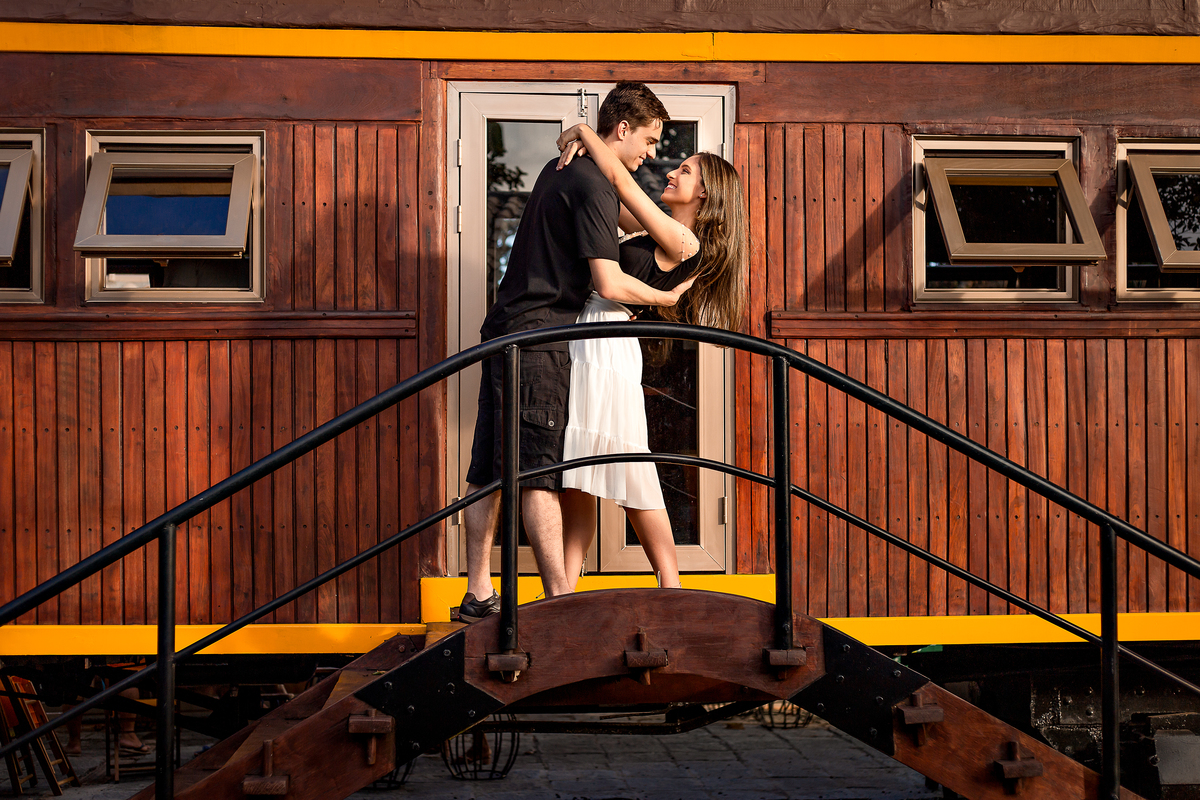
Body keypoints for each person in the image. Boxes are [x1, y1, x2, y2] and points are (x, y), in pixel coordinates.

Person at [458, 82, 693, 622]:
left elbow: (640, 220)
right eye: (651, 141)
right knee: (539, 470)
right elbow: (608, 283)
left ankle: (477, 592)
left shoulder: (565, 168)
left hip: (503, 326)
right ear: (625, 128)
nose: (653, 156)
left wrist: (592, 141)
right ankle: (560, 602)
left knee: (488, 468)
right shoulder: (593, 185)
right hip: (542, 334)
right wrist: (661, 297)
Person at [553, 122, 747, 591]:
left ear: (705, 195)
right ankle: (564, 587)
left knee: (629, 465)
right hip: (590, 335)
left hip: (607, 344)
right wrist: (586, 154)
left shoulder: (684, 241)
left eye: (684, 170)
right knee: (577, 469)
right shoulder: (652, 228)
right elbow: (607, 196)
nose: (672, 174)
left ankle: (670, 582)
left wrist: (584, 128)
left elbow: (620, 181)